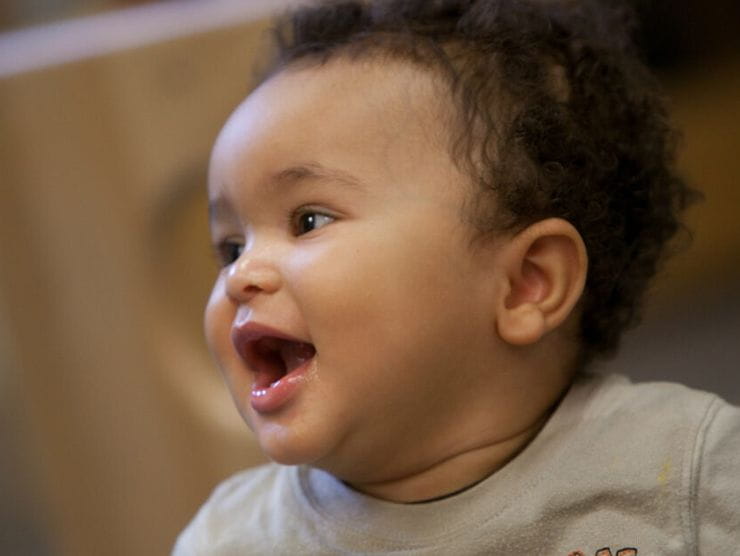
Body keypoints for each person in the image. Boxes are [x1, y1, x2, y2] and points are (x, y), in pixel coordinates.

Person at [174, 0, 740, 553]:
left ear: (526, 284)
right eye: (230, 247)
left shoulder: (689, 475)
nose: (240, 274)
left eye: (308, 221)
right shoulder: (232, 540)